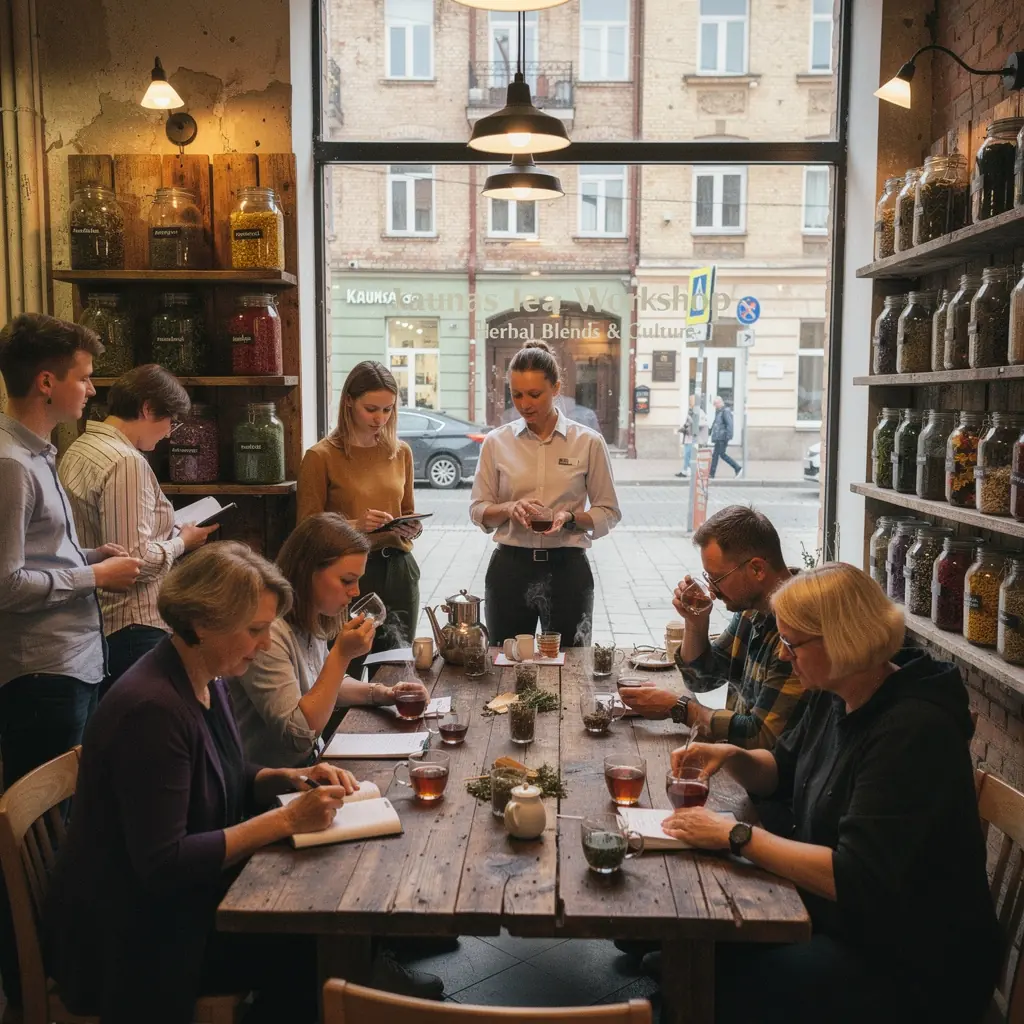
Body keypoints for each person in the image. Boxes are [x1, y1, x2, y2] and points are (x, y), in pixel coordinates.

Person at [660, 563, 1002, 1024]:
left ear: (841, 639)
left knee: (701, 977)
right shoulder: (836, 690)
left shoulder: (912, 730)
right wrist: (731, 755)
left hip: (912, 963)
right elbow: (780, 772)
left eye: (791, 643)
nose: (782, 655)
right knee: (671, 954)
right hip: (842, 919)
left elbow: (854, 878)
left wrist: (735, 835)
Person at [43, 542, 364, 1024]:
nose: (264, 644)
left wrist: (290, 776)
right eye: (254, 630)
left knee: (315, 919)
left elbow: (225, 769)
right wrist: (284, 820)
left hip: (173, 907)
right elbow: (164, 864)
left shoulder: (204, 675)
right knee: (309, 942)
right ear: (202, 623)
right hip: (132, 943)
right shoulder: (152, 710)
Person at [0, 314, 143, 1011]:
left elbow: (39, 556)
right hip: (41, 675)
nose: (92, 389)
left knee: (72, 836)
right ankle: (37, 986)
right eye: (84, 377)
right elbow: (5, 585)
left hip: (73, 662)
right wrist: (94, 578)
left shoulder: (40, 453)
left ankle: (78, 976)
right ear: (46, 382)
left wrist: (91, 556)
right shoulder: (8, 463)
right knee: (40, 845)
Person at [59, 365, 218, 696]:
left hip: (97, 619)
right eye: (171, 421)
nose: (169, 434)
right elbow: (134, 561)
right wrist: (181, 542)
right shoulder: (125, 461)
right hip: (132, 622)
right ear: (147, 408)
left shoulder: (81, 446)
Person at [230, 513, 429, 769]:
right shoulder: (268, 635)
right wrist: (341, 656)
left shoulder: (311, 616)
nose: (356, 591)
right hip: (269, 780)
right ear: (307, 571)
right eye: (347, 580)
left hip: (309, 766)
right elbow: (299, 736)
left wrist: (384, 693)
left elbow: (324, 683)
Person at [469, 340, 621, 646]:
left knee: (570, 664)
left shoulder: (587, 442)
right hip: (510, 570)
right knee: (506, 661)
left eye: (534, 394)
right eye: (516, 394)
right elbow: (478, 510)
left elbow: (609, 511)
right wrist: (509, 508)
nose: (524, 404)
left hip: (567, 570)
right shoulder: (497, 442)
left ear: (556, 388)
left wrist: (569, 518)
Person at [621, 505, 808, 751]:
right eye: (708, 578)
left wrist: (678, 708)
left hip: (766, 770)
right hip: (737, 758)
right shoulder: (752, 609)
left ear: (757, 569)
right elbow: (702, 679)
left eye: (717, 578)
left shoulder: (798, 630)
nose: (711, 589)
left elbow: (759, 735)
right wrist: (695, 622)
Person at [297, 361, 422, 671]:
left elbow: (407, 511)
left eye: (388, 410)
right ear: (349, 402)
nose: (380, 418)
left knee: (396, 671)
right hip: (347, 576)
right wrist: (356, 526)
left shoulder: (400, 452)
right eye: (371, 409)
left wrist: (412, 527)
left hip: (399, 571)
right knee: (343, 671)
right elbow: (306, 529)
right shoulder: (321, 456)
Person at [676, 393, 708, 479]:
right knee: (687, 454)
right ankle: (686, 470)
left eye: (691, 400)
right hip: (688, 437)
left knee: (689, 454)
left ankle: (688, 470)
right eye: (689, 400)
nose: (690, 402)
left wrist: (691, 425)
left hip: (693, 437)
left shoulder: (699, 412)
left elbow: (701, 425)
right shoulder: (691, 411)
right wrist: (683, 428)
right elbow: (688, 423)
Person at [709, 395, 742, 478]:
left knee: (722, 454)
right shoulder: (719, 411)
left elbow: (729, 424)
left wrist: (728, 436)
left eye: (715, 404)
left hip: (722, 437)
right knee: (715, 455)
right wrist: (710, 431)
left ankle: (737, 468)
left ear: (720, 403)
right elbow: (716, 424)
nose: (715, 406)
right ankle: (711, 473)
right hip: (719, 437)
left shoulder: (725, 411)